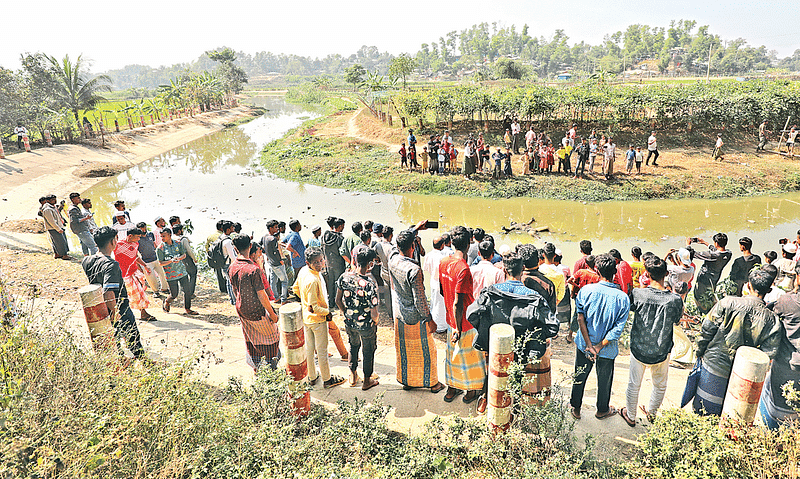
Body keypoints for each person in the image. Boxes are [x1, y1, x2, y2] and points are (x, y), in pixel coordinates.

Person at [468, 253, 555, 412]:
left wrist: (486, 331)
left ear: (504, 270)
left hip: (497, 345)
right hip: (522, 348)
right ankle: (513, 409)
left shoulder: (491, 292)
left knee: (493, 372)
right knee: (517, 377)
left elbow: (471, 314)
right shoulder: (534, 298)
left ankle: (485, 402)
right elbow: (552, 325)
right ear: (522, 269)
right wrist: (535, 339)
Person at [693, 268, 782, 416]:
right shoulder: (772, 320)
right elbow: (768, 353)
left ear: (748, 286)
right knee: (730, 416)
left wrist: (699, 352)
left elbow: (707, 329)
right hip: (742, 374)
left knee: (703, 410)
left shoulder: (727, 302)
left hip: (715, 364)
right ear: (769, 290)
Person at [620, 256, 683, 426]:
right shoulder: (675, 300)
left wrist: (641, 286)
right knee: (660, 385)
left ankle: (631, 416)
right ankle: (652, 413)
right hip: (661, 349)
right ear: (667, 274)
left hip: (639, 347)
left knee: (634, 384)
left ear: (646, 274)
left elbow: (630, 307)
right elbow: (677, 320)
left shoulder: (638, 294)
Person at [570, 253, 630, 420]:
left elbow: (580, 318)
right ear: (615, 272)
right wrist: (599, 347)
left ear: (596, 270)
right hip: (607, 348)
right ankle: (602, 409)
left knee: (580, 375)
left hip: (584, 345)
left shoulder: (586, 291)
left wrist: (589, 345)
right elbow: (618, 329)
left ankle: (575, 408)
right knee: (605, 380)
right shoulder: (623, 298)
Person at [389, 229, 445, 393]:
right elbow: (420, 300)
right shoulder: (414, 270)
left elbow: (395, 247)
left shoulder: (392, 261)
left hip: (400, 314)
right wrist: (429, 319)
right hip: (416, 317)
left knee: (405, 351)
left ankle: (408, 381)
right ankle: (432, 383)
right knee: (427, 351)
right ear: (413, 246)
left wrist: (416, 227)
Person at [82, 226, 145, 358]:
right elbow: (109, 292)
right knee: (132, 335)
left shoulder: (86, 261)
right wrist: (115, 312)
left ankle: (121, 360)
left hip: (100, 306)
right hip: (118, 307)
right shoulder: (111, 264)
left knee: (114, 337)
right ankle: (142, 360)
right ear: (113, 242)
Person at [440, 226, 486, 404]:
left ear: (451, 242)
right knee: (469, 357)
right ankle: (470, 391)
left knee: (452, 356)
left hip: (451, 319)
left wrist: (453, 321)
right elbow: (459, 303)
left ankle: (452, 388)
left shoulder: (444, 262)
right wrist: (459, 328)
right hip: (464, 322)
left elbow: (444, 291)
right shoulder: (464, 269)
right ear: (469, 244)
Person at [292, 247, 346, 388]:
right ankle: (327, 380)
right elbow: (313, 307)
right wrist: (327, 312)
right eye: (316, 262)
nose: (320, 264)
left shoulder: (303, 271)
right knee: (322, 351)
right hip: (317, 320)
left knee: (310, 349)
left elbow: (295, 288)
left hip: (306, 318)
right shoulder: (313, 279)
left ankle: (312, 376)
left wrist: (304, 300)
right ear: (308, 262)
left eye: (321, 260)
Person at [228, 233, 280, 371]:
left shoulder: (232, 267)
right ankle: (271, 369)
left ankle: (257, 368)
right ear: (250, 246)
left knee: (252, 339)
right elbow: (262, 296)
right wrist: (272, 314)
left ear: (235, 248)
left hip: (242, 310)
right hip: (257, 312)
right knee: (272, 339)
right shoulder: (253, 269)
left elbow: (235, 290)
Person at [336, 247, 380, 390]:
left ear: (355, 261)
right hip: (366, 325)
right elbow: (374, 313)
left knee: (353, 346)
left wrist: (346, 313)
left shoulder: (344, 277)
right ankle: (367, 380)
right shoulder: (370, 285)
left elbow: (337, 300)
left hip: (350, 322)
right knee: (368, 351)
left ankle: (353, 375)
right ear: (369, 264)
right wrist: (376, 322)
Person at [758, 291, 800, 428]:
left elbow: (766, 312)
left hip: (785, 364)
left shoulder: (787, 301)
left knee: (772, 400)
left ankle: (773, 433)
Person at [113, 228, 156, 322]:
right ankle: (139, 313)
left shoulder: (135, 244)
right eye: (137, 237)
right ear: (130, 236)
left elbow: (136, 256)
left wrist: (145, 265)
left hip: (134, 271)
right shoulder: (117, 245)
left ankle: (142, 312)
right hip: (124, 275)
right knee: (134, 294)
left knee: (140, 292)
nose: (138, 239)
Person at [157, 228, 198, 315]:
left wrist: (179, 258)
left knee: (187, 291)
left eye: (164, 236)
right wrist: (171, 261)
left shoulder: (178, 244)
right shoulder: (160, 248)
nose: (162, 238)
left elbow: (184, 255)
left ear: (169, 235)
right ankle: (167, 302)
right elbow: (160, 263)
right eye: (161, 236)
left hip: (182, 272)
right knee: (174, 294)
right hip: (170, 275)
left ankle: (188, 309)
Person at [692, 233, 733, 315]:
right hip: (715, 278)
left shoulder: (711, 255)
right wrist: (705, 243)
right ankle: (712, 310)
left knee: (698, 295)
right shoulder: (728, 253)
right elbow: (718, 251)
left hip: (704, 278)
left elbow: (693, 254)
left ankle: (704, 313)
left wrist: (688, 245)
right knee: (709, 293)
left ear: (716, 243)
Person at [566, 255, 600, 343]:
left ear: (586, 263)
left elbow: (569, 280)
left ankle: (570, 335)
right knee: (588, 316)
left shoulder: (581, 272)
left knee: (576, 315)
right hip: (591, 298)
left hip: (581, 296)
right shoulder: (597, 276)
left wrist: (578, 286)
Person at [423, 235, 452, 333]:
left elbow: (426, 268)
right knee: (441, 305)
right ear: (442, 245)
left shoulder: (428, 255)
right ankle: (440, 326)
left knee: (434, 303)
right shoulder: (443, 258)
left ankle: (434, 322)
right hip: (441, 283)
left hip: (433, 281)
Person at [137, 221, 170, 297]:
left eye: (144, 228)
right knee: (151, 278)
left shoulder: (150, 234)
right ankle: (156, 291)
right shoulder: (137, 239)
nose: (144, 230)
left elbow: (154, 245)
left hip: (156, 259)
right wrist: (140, 266)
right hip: (146, 262)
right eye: (142, 229)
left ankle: (164, 288)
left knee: (163, 274)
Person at [172, 224, 197, 301]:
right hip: (185, 259)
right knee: (193, 273)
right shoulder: (183, 239)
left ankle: (185, 290)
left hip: (175, 259)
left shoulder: (172, 238)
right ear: (179, 231)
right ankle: (190, 292)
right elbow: (189, 250)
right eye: (182, 230)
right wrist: (194, 258)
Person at [41, 195, 69, 260]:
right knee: (61, 241)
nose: (55, 201)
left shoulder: (53, 206)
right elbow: (51, 221)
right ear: (48, 201)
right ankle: (64, 255)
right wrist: (58, 229)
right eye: (53, 200)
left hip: (58, 226)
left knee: (56, 241)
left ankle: (57, 254)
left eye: (55, 199)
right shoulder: (47, 209)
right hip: (54, 228)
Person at [207, 220, 228, 293]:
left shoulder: (210, 236)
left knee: (218, 274)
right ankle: (227, 288)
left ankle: (222, 289)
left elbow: (207, 248)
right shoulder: (224, 236)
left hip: (215, 259)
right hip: (223, 258)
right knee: (226, 273)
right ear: (222, 228)